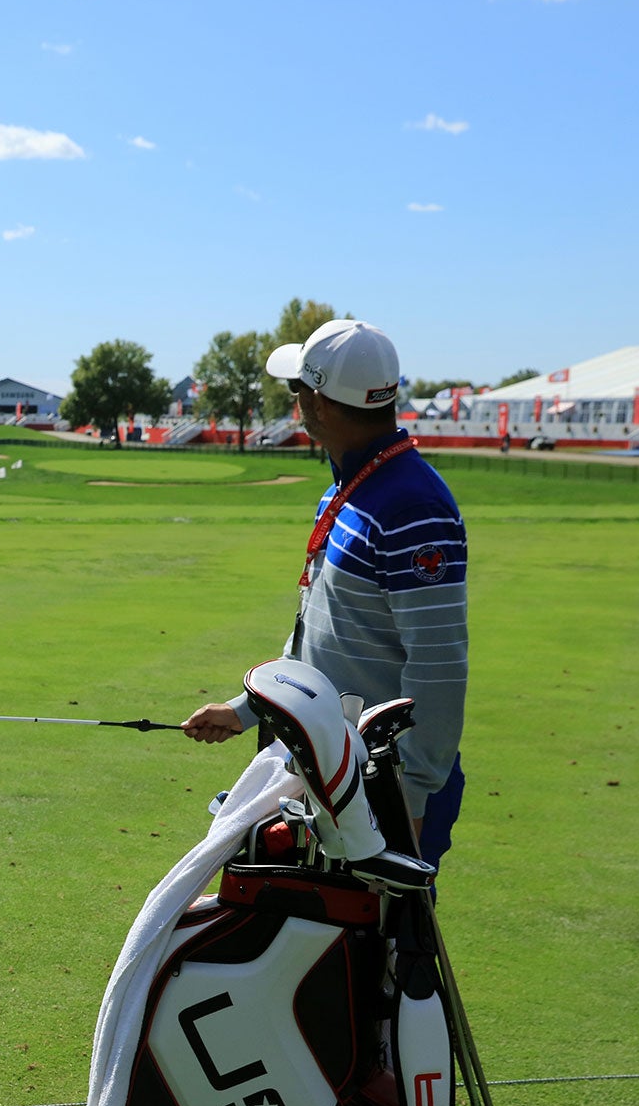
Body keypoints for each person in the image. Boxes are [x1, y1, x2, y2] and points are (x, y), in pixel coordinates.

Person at [182, 319, 468, 864]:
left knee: (379, 944)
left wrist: (409, 795)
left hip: (379, 787)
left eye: (298, 390)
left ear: (322, 403)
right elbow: (320, 636)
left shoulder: (413, 507)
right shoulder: (349, 489)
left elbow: (438, 667)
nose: (295, 401)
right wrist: (247, 710)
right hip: (322, 767)